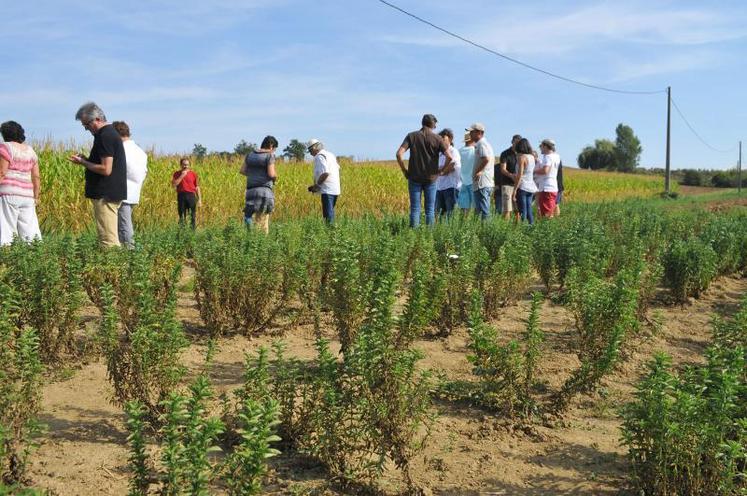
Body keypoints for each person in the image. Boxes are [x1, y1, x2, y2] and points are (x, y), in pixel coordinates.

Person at [69, 102, 127, 248]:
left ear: (97, 119)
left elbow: (106, 169)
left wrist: (83, 162)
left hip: (105, 195)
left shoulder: (105, 136)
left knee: (108, 241)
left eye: (87, 125)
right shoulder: (108, 134)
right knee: (108, 237)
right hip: (109, 193)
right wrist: (88, 160)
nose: (86, 129)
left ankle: (113, 269)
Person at [396, 114, 452, 227]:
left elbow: (399, 154)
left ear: (422, 123)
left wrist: (404, 170)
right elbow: (449, 157)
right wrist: (441, 171)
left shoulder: (411, 136)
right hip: (431, 179)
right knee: (430, 210)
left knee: (415, 209)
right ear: (432, 124)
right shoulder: (437, 139)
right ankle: (429, 236)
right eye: (435, 125)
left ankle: (414, 236)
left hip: (414, 178)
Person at [0, 121, 41, 245]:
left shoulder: (5, 147)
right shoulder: (30, 150)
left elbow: (2, 172)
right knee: (30, 229)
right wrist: (36, 196)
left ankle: (6, 257)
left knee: (6, 227)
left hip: (9, 194)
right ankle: (35, 253)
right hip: (27, 195)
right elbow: (36, 176)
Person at [112, 121, 147, 247]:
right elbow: (144, 173)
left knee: (124, 225)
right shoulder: (140, 151)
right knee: (125, 223)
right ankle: (127, 252)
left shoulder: (121, 149)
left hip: (122, 192)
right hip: (134, 193)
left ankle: (130, 253)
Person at [240, 135, 278, 234]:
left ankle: (250, 236)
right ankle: (261, 242)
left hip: (250, 191)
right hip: (264, 191)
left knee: (249, 216)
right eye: (274, 149)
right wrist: (275, 177)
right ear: (271, 145)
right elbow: (271, 174)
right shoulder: (270, 155)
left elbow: (243, 171)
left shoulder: (250, 155)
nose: (273, 151)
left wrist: (254, 174)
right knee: (263, 221)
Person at [307, 139, 341, 223]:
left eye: (310, 150)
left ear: (315, 148)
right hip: (335, 189)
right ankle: (332, 233)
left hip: (327, 190)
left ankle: (331, 234)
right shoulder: (330, 155)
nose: (310, 153)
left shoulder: (319, 156)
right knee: (330, 214)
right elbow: (337, 168)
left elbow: (325, 172)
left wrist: (317, 185)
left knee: (328, 217)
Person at [467, 123, 494, 219]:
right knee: (481, 210)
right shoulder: (481, 144)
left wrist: (478, 171)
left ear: (479, 132)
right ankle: (484, 231)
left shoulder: (482, 144)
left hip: (482, 183)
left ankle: (487, 232)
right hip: (481, 183)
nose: (470, 134)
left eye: (472, 132)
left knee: (483, 210)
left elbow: (486, 158)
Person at [435, 128, 461, 218]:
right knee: (439, 215)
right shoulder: (439, 154)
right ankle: (441, 232)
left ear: (450, 139)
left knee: (451, 215)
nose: (442, 141)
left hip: (451, 187)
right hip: (439, 188)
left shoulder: (453, 151)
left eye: (444, 139)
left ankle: (452, 231)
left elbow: (452, 166)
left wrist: (441, 172)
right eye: (440, 139)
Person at [512, 138, 538, 224]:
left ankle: (523, 229)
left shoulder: (522, 158)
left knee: (523, 210)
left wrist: (515, 190)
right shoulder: (532, 157)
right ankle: (531, 227)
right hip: (530, 186)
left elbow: (520, 175)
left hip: (522, 186)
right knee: (529, 209)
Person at [172, 157, 201, 229]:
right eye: (184, 165)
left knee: (192, 216)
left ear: (189, 165)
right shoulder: (177, 174)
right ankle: (182, 233)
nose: (185, 166)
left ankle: (192, 233)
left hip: (191, 196)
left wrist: (200, 199)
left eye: (187, 165)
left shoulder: (193, 174)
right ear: (180, 165)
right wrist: (182, 176)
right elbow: (174, 185)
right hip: (181, 196)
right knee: (182, 216)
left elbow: (197, 187)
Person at [534, 139, 561, 218]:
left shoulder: (548, 157)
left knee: (546, 214)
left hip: (546, 187)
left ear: (546, 146)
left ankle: (546, 228)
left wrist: (534, 171)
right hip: (552, 186)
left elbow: (545, 170)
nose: (540, 148)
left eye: (541, 146)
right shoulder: (557, 156)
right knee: (550, 211)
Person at [498, 134, 522, 221]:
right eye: (515, 143)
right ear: (512, 142)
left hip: (518, 184)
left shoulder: (522, 155)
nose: (517, 145)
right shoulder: (505, 154)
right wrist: (511, 176)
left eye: (519, 143)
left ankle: (516, 229)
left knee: (518, 209)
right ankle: (505, 229)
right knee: (507, 208)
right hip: (507, 184)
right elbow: (503, 169)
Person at [457, 132, 475, 213]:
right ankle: (475, 225)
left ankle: (462, 224)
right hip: (473, 181)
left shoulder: (459, 151)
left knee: (464, 208)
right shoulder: (475, 150)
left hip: (462, 182)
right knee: (476, 208)